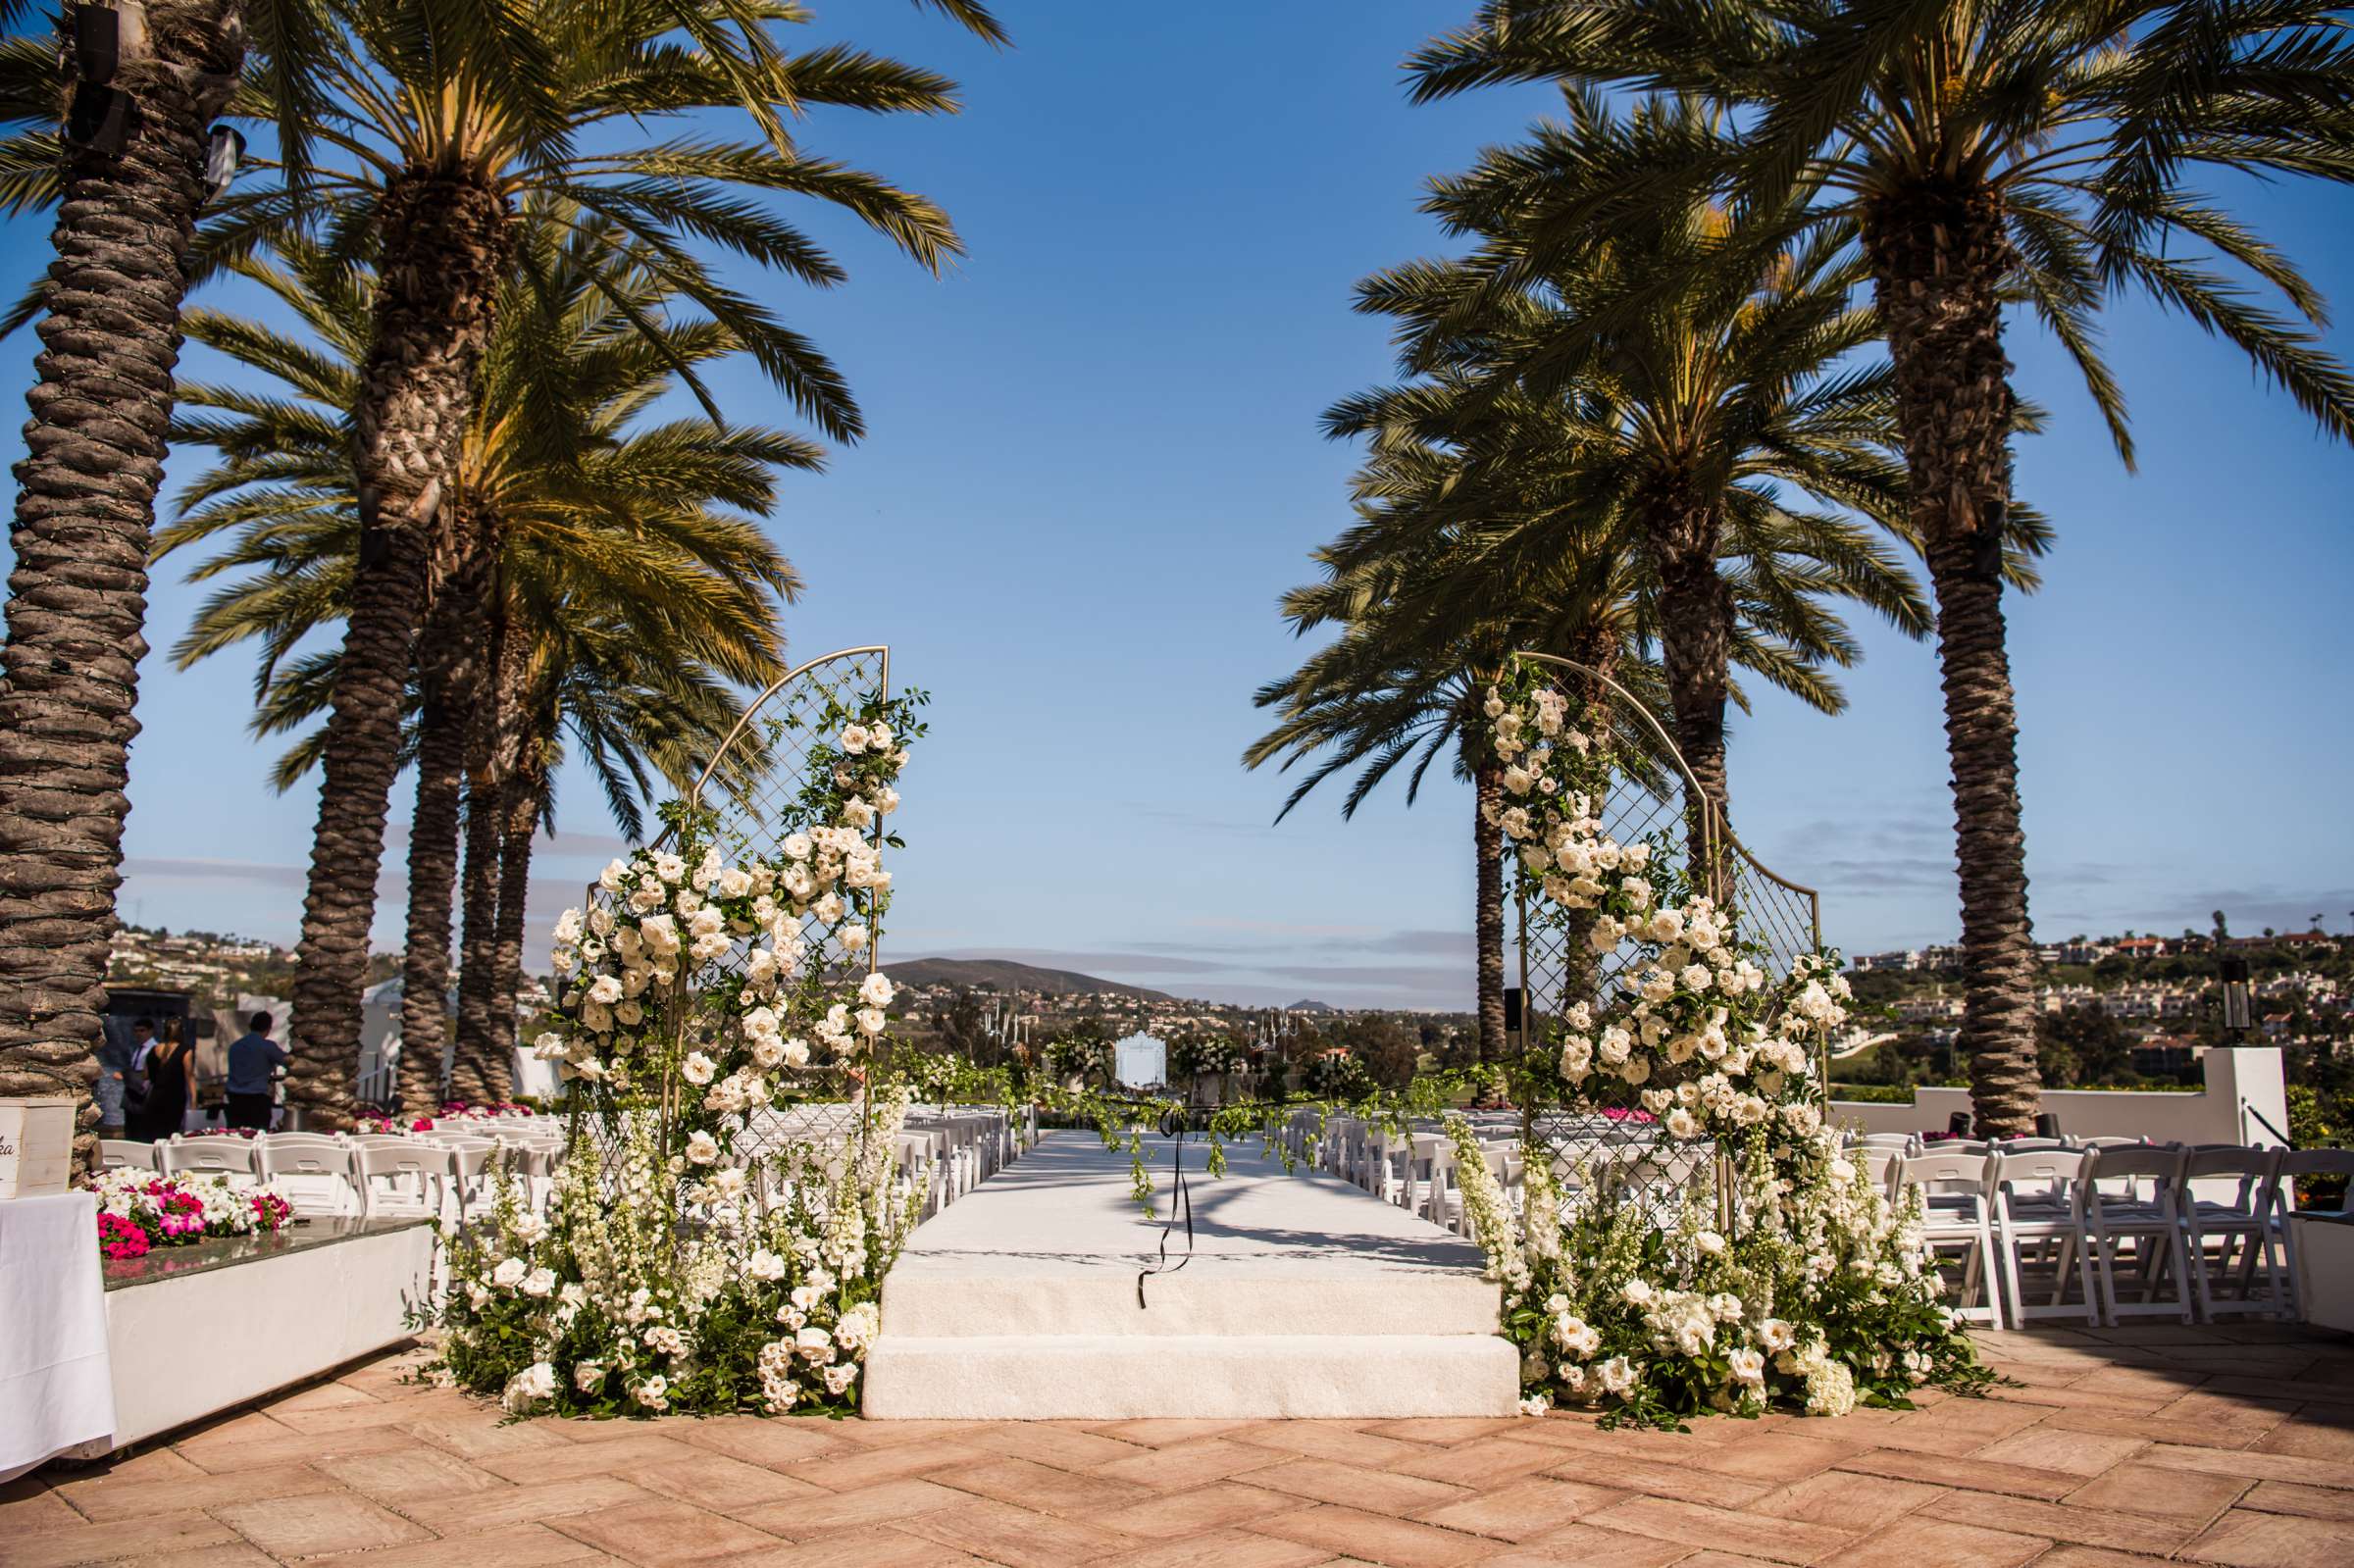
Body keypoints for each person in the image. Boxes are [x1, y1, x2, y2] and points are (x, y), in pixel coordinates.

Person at [226, 1012, 288, 1133]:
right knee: (257, 1135)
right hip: (257, 1100)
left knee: (235, 1134)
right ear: (268, 1028)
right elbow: (287, 1061)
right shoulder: (267, 1047)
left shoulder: (235, 1046)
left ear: (251, 1025)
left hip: (234, 1099)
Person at [139, 1019, 194, 1142]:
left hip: (155, 1096)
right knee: (171, 1134)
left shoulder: (154, 1050)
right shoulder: (185, 1050)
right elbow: (189, 1076)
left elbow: (145, 1075)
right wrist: (194, 1100)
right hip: (175, 1098)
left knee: (154, 1133)